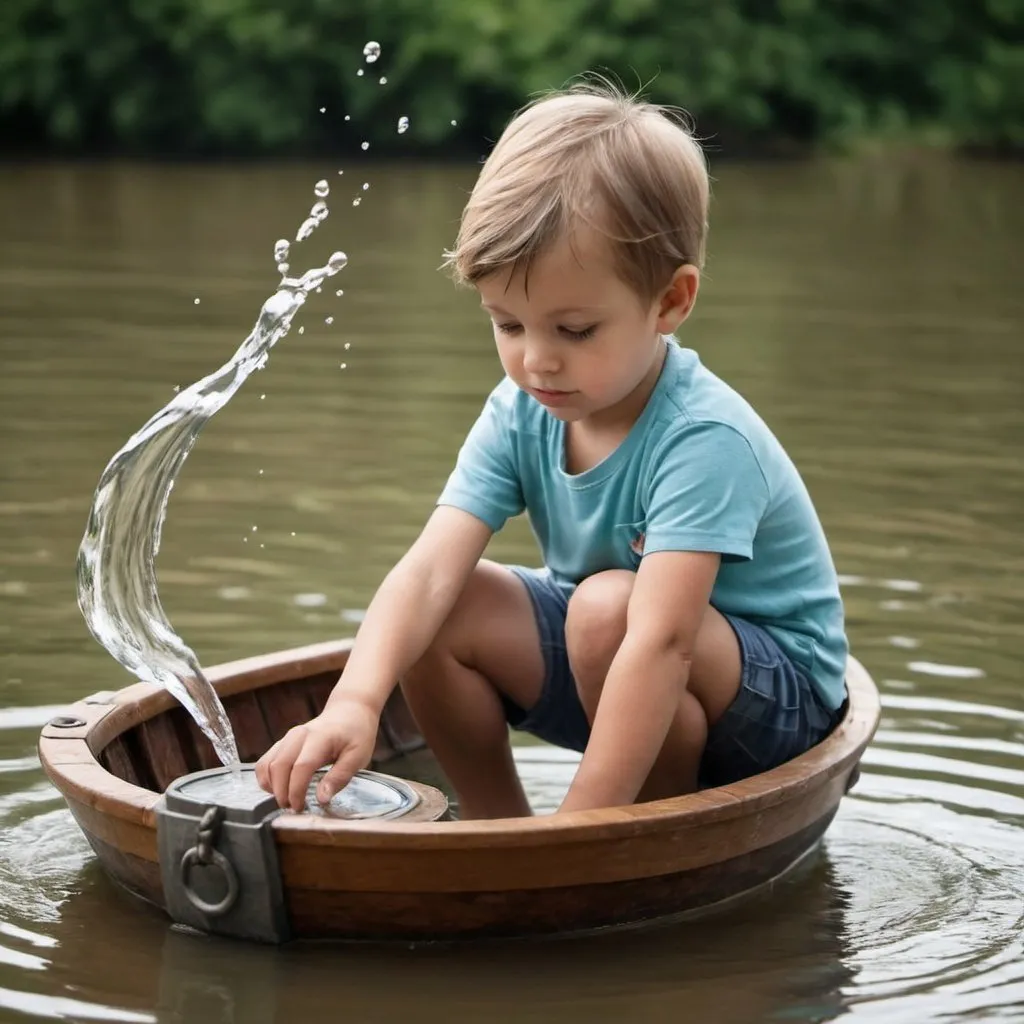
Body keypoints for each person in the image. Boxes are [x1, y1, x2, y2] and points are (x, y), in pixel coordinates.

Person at [255, 81, 849, 819]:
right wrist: (355, 701)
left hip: (771, 706)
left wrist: (579, 826)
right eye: (507, 324)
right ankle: (494, 825)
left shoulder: (703, 437)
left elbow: (662, 643)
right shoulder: (522, 410)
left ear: (670, 302)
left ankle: (631, 835)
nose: (537, 361)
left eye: (573, 331)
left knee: (608, 611)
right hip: (617, 659)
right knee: (451, 603)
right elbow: (430, 567)